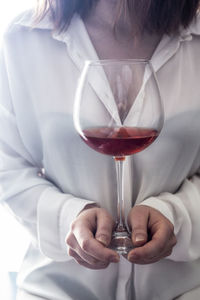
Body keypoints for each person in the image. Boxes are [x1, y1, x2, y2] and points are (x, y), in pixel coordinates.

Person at [1, 0, 200, 299]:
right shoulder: (23, 37)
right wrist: (69, 216)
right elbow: (8, 169)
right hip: (55, 291)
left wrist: (176, 215)